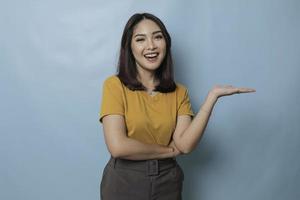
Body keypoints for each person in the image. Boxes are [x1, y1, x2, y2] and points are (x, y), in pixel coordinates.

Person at [98, 12, 255, 200]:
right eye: (140, 39)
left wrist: (212, 98)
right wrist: (168, 151)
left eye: (158, 37)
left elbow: (184, 145)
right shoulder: (114, 85)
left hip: (168, 180)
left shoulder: (179, 92)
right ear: (129, 47)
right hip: (124, 180)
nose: (151, 46)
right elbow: (118, 147)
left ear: (166, 43)